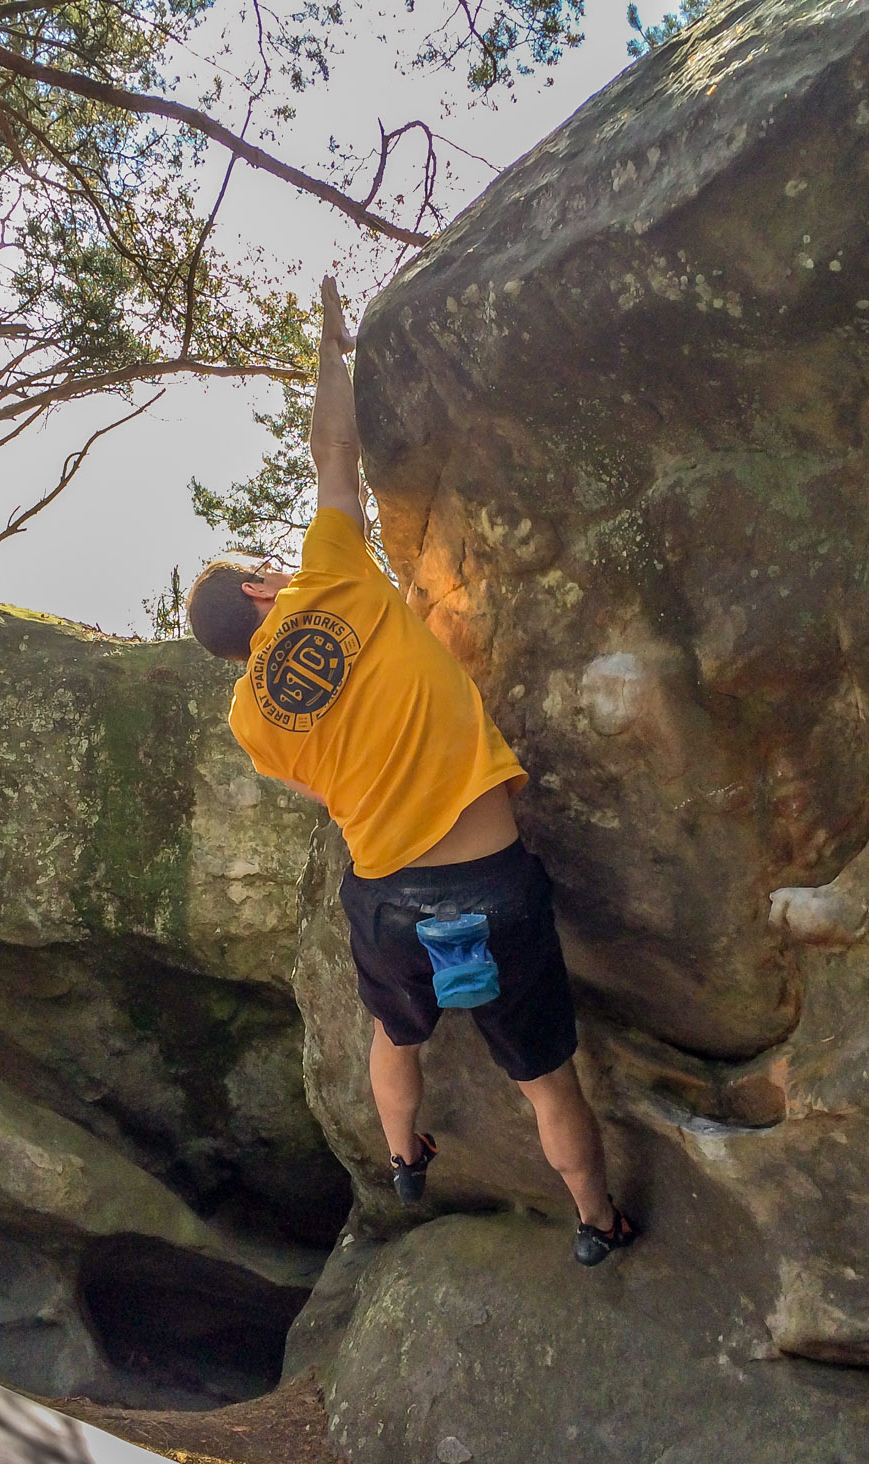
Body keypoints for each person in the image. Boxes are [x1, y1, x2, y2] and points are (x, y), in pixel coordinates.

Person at [185, 279, 640, 1267]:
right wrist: (329, 344)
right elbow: (333, 454)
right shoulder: (330, 570)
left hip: (388, 899)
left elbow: (321, 798)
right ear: (263, 586)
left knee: (396, 1032)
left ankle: (401, 1154)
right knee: (545, 1082)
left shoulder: (247, 718)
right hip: (491, 882)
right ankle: (596, 1223)